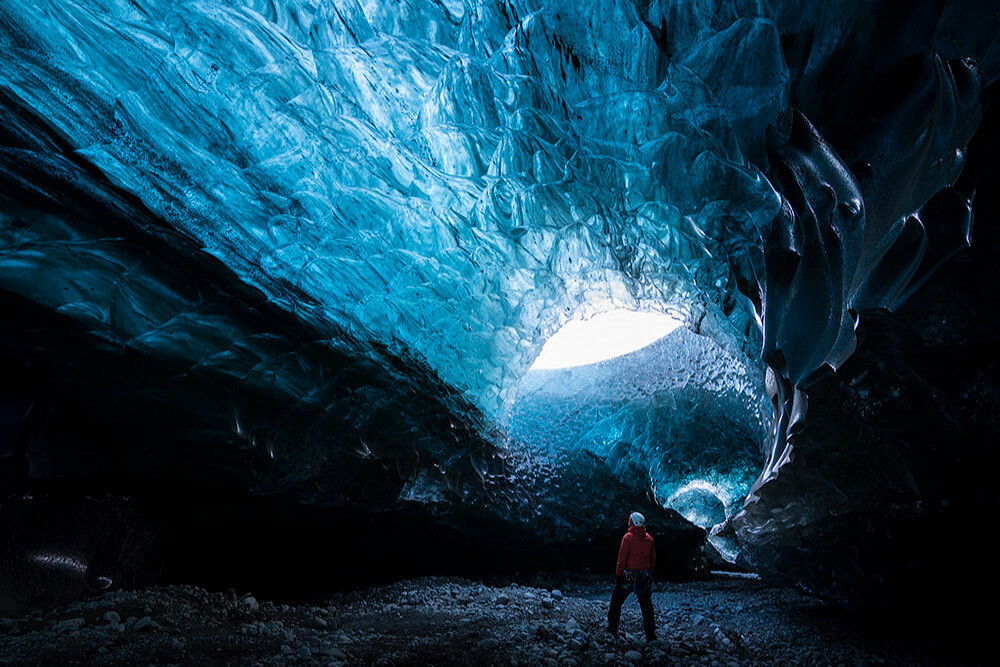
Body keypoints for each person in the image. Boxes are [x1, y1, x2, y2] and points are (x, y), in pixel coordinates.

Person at [607, 511, 656, 641]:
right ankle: (651, 636)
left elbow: (622, 560)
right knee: (647, 607)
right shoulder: (649, 539)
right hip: (644, 578)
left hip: (629, 576)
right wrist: (648, 573)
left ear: (632, 522)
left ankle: (612, 628)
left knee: (616, 601)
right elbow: (653, 560)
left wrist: (618, 575)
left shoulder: (627, 538)